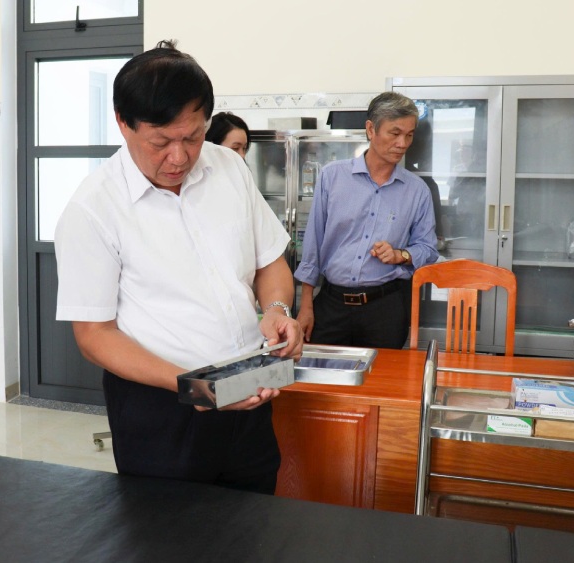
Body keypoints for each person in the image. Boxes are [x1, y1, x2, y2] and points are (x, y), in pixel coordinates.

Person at [54, 41, 303, 495]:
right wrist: (194, 387)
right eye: (161, 141)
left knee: (255, 528)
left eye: (192, 137)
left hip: (249, 394)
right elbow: (94, 335)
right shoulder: (93, 208)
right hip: (161, 412)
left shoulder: (228, 168)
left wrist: (278, 308)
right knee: (167, 537)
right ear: (123, 124)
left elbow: (270, 261)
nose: (180, 157)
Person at [294, 91, 439, 349]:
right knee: (322, 380)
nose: (403, 143)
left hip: (384, 309)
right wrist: (306, 306)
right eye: (394, 133)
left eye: (409, 134)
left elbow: (428, 248)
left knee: (380, 384)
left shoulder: (417, 191)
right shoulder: (332, 177)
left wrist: (400, 255)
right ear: (371, 129)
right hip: (331, 305)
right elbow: (313, 246)